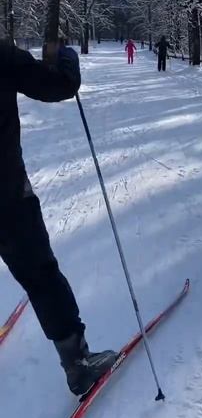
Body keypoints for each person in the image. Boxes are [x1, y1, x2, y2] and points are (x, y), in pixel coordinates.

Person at [0, 40, 116, 396]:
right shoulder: (2, 56)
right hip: (6, 195)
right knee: (41, 276)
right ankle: (78, 363)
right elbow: (59, 86)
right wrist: (64, 54)